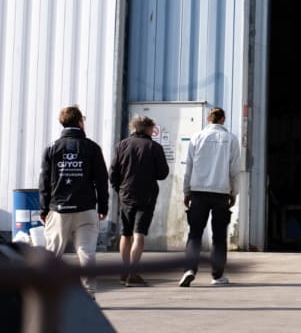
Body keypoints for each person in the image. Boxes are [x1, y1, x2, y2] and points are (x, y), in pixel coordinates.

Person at [38, 105, 110, 297]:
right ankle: (90, 292)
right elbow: (102, 180)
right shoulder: (92, 148)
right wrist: (103, 206)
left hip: (59, 209)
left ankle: (45, 293)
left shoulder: (52, 148)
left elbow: (44, 182)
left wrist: (44, 209)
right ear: (80, 121)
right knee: (86, 252)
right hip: (86, 208)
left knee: (52, 253)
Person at [179, 106, 241, 287]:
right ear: (223, 119)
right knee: (219, 236)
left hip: (198, 192)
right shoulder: (230, 139)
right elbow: (234, 170)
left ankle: (189, 270)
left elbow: (188, 167)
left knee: (195, 234)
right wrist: (234, 193)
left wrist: (186, 192)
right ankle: (217, 276)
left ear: (208, 119)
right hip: (221, 193)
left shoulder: (197, 137)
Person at [109, 115, 170, 286]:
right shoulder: (154, 147)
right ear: (149, 128)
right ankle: (134, 274)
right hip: (147, 195)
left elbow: (113, 172)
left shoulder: (122, 145)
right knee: (139, 234)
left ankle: (124, 271)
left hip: (126, 194)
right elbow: (163, 173)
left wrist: (118, 189)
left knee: (125, 233)